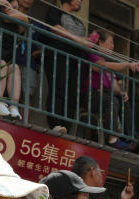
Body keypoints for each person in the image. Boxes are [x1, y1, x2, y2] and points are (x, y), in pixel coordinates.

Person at [42, 0, 96, 135]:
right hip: (59, 56)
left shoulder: (79, 21)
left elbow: (82, 41)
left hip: (78, 61)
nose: (80, 1)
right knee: (58, 89)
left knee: (73, 95)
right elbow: (55, 28)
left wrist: (87, 41)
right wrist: (79, 40)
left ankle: (67, 127)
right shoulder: (54, 10)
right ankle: (56, 124)